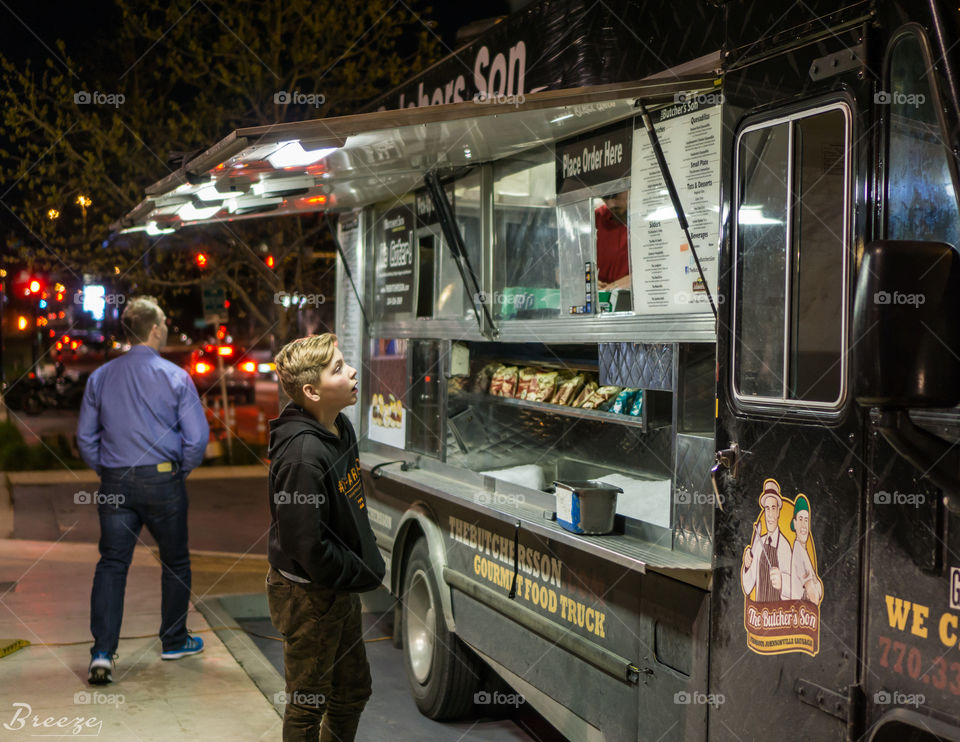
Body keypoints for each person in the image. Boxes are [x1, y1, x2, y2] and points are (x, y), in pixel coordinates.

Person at [77, 296, 210, 685]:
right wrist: (178, 471)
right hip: (163, 479)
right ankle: (173, 639)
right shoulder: (175, 376)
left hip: (115, 481)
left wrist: (110, 470)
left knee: (112, 564)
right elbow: (197, 439)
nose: (168, 325)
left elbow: (86, 439)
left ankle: (102, 654)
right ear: (154, 329)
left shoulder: (100, 377)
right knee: (176, 561)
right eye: (165, 321)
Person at [267, 333, 385, 742]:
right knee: (308, 704)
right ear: (312, 391)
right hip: (309, 597)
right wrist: (359, 571)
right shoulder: (302, 456)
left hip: (338, 587)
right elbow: (308, 547)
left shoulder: (339, 427)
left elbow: (351, 509)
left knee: (352, 691)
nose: (352, 371)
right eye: (338, 368)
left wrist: (361, 564)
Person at [741, 479, 792, 601]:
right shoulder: (759, 544)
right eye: (767, 508)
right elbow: (747, 587)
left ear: (779, 512)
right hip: (758, 615)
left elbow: (795, 589)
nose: (769, 514)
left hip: (777, 616)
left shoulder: (785, 546)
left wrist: (782, 582)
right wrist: (747, 565)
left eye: (773, 508)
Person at [790, 494, 823, 604]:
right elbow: (813, 596)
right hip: (801, 614)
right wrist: (815, 586)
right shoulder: (798, 552)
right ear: (795, 523)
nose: (804, 525)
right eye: (800, 519)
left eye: (806, 520)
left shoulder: (803, 551)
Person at [596, 191, 631, 290]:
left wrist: (616, 286)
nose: (610, 204)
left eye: (615, 195)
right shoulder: (598, 218)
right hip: (603, 298)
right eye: (605, 198)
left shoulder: (658, 215)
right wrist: (588, 280)